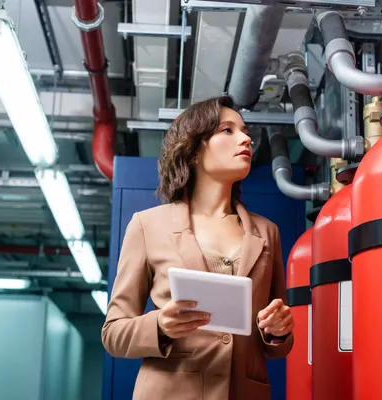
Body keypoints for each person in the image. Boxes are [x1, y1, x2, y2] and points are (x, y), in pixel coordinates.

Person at [101, 96, 295, 400]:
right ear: (193, 150)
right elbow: (113, 333)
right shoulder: (147, 226)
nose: (246, 138)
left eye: (245, 131)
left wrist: (278, 330)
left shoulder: (267, 232)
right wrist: (161, 325)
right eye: (227, 131)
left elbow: (275, 343)